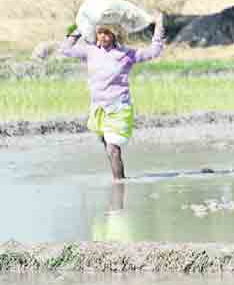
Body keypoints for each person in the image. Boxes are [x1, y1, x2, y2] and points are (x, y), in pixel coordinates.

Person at [60, 12, 165, 181]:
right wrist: (79, 28)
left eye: (107, 33)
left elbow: (154, 51)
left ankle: (119, 185)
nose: (103, 36)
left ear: (115, 34)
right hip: (98, 109)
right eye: (100, 32)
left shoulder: (125, 54)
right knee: (109, 148)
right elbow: (65, 49)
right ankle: (120, 180)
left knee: (112, 149)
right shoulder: (91, 51)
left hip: (119, 108)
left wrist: (159, 26)